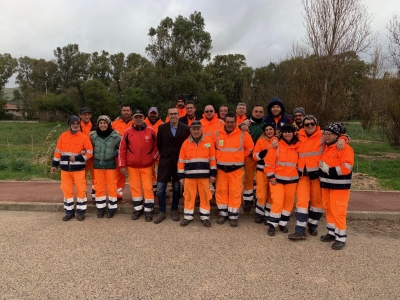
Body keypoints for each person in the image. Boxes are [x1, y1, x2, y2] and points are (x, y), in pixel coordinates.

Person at [288, 116, 347, 240]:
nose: (310, 126)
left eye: (312, 123)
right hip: (303, 175)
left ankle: (313, 225)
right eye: (307, 124)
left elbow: (337, 135)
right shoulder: (298, 135)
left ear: (316, 124)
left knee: (317, 202)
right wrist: (276, 138)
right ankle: (300, 230)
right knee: (301, 202)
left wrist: (343, 138)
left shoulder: (323, 135)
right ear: (302, 126)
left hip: (317, 175)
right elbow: (284, 134)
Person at [212, 112, 254, 227]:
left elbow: (250, 148)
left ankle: (233, 216)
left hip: (235, 169)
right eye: (228, 122)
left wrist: (239, 157)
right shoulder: (217, 133)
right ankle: (223, 214)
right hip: (221, 169)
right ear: (224, 121)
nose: (230, 124)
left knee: (235, 192)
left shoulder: (243, 133)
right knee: (221, 191)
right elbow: (211, 147)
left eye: (232, 122)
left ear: (236, 122)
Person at [319, 122, 354, 250]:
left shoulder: (345, 148)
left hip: (339, 186)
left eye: (329, 134)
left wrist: (329, 170)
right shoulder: (327, 147)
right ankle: (332, 232)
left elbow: (347, 168)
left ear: (337, 135)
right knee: (328, 208)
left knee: (338, 211)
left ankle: (341, 238)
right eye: (325, 133)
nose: (326, 136)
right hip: (326, 185)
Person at [119, 109, 159, 221]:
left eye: (140, 117)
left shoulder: (151, 131)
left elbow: (157, 146)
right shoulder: (127, 132)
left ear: (143, 117)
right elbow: (122, 150)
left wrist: (153, 157)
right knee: (135, 188)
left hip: (147, 165)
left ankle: (148, 211)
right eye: (136, 117)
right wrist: (122, 165)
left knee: (148, 188)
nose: (138, 119)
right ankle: (137, 209)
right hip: (132, 166)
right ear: (133, 118)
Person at [51, 115, 93, 221]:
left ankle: (80, 212)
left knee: (81, 190)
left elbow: (90, 152)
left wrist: (79, 157)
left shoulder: (84, 137)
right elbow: (58, 151)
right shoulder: (63, 136)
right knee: (67, 191)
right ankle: (69, 212)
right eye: (73, 123)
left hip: (79, 169)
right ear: (70, 124)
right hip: (65, 169)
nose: (75, 125)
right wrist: (54, 165)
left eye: (77, 123)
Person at [154, 107, 191, 224]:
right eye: (171, 114)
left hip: (178, 162)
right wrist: (165, 155)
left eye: (175, 114)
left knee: (176, 188)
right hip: (165, 162)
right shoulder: (162, 128)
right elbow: (159, 145)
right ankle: (162, 212)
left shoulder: (186, 129)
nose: (173, 116)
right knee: (160, 188)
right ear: (168, 116)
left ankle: (174, 210)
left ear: (179, 115)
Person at [177, 121, 216, 227]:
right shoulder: (185, 143)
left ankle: (205, 217)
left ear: (201, 129)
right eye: (194, 129)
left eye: (198, 128)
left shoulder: (208, 142)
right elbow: (181, 161)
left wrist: (213, 174)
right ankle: (188, 216)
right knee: (189, 196)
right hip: (189, 176)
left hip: (205, 176)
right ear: (190, 130)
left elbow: (212, 159)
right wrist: (181, 176)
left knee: (205, 196)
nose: (196, 131)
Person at [265, 124, 300, 236]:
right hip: (277, 180)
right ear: (281, 133)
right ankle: (272, 225)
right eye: (285, 132)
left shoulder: (298, 145)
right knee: (278, 202)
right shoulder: (275, 146)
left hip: (292, 180)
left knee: (288, 203)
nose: (288, 134)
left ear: (293, 133)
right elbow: (269, 163)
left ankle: (283, 223)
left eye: (290, 131)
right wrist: (271, 177)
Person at [90, 115, 121, 218]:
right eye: (101, 123)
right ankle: (101, 208)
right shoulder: (93, 136)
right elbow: (87, 147)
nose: (103, 125)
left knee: (112, 186)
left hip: (110, 164)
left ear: (108, 124)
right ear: (98, 125)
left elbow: (122, 148)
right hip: (98, 165)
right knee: (99, 187)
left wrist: (114, 153)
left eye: (105, 123)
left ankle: (112, 208)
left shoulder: (115, 136)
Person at [240, 104, 267, 212]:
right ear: (252, 113)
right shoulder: (247, 124)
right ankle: (248, 201)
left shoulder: (266, 125)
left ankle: (260, 200)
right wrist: (242, 124)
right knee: (248, 179)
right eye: (256, 111)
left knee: (261, 180)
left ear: (263, 113)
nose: (258, 113)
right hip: (250, 156)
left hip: (262, 157)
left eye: (260, 112)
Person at [252, 123, 275, 223]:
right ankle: (259, 213)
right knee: (261, 192)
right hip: (261, 170)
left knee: (271, 194)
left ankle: (268, 214)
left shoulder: (279, 141)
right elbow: (255, 156)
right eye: (267, 130)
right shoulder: (261, 141)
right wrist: (266, 150)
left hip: (274, 172)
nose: (269, 131)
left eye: (270, 129)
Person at [112, 104, 133, 201]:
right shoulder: (115, 123)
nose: (126, 112)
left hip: (132, 153)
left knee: (134, 175)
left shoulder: (135, 122)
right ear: (121, 111)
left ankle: (136, 195)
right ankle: (118, 194)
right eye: (124, 110)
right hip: (119, 153)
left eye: (128, 110)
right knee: (120, 174)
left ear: (131, 112)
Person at [144, 106, 164, 193]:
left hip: (159, 151)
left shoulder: (162, 124)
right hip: (147, 151)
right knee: (149, 171)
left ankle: (161, 189)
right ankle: (152, 188)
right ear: (148, 113)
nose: (153, 115)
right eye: (151, 113)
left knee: (161, 170)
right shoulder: (143, 123)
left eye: (154, 114)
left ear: (157, 114)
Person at [79, 107, 96, 199]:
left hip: (93, 155)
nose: (87, 116)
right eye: (84, 114)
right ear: (80, 115)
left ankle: (95, 193)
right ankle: (83, 192)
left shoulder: (95, 125)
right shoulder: (76, 125)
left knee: (95, 175)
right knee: (82, 175)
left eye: (88, 114)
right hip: (82, 155)